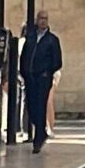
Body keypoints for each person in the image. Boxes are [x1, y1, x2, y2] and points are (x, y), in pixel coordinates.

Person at [19, 9, 63, 153]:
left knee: (40, 106)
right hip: (30, 77)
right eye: (41, 18)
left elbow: (57, 61)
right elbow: (24, 56)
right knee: (31, 107)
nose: (43, 21)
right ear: (37, 20)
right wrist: (24, 71)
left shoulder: (52, 40)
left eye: (45, 18)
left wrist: (47, 72)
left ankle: (38, 138)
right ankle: (40, 131)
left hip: (43, 78)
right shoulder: (30, 37)